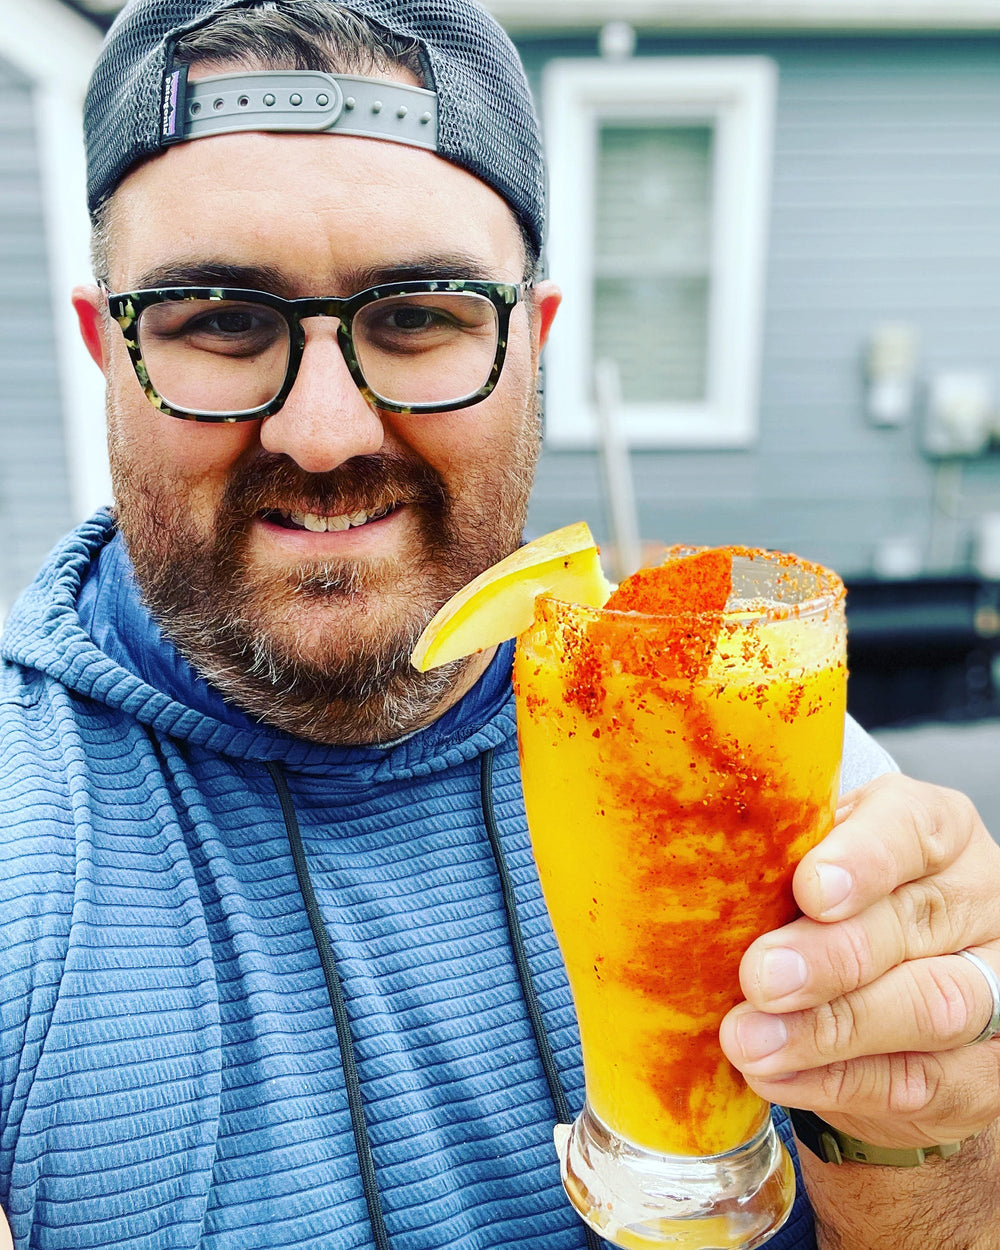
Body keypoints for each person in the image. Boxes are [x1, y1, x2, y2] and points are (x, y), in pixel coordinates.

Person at [1, 0, 998, 1246]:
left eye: (419, 314)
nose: (324, 430)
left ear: (535, 343)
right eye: (218, 319)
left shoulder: (765, 761)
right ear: (106, 348)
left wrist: (918, 1137)